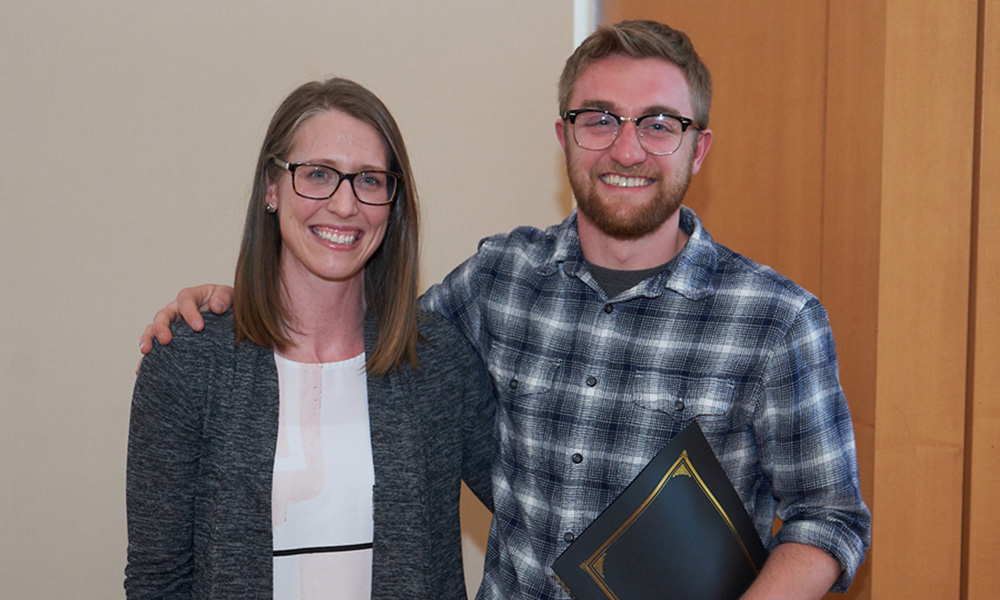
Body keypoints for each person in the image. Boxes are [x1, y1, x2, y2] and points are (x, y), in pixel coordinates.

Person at [141, 21, 871, 600]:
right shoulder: (500, 279)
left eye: (658, 122)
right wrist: (235, 302)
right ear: (564, 136)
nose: (627, 147)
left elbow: (831, 519)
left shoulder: (778, 321)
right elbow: (360, 331)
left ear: (697, 147)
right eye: (599, 119)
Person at [125, 77, 495, 599]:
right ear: (271, 189)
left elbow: (537, 512)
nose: (345, 206)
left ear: (393, 202)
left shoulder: (436, 363)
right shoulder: (189, 361)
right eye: (318, 175)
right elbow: (157, 581)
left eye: (369, 180)